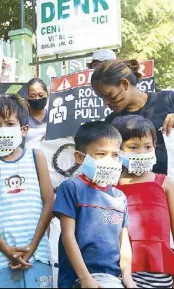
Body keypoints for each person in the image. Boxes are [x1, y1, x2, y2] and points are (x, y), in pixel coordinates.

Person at [0, 94, 54, 288]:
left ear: (24, 130)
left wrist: (32, 248)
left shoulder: (36, 156)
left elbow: (49, 203)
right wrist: (6, 249)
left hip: (36, 255)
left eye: (9, 123)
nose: (2, 129)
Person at [52, 121, 136, 288]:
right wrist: (85, 279)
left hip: (113, 279)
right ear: (79, 157)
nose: (110, 160)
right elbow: (68, 236)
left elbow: (123, 240)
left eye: (114, 155)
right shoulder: (72, 187)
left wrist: (127, 276)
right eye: (101, 154)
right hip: (77, 280)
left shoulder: (120, 197)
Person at [112, 115, 174, 288]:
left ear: (155, 147)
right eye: (133, 147)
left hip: (159, 270)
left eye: (147, 146)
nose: (141, 153)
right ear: (118, 149)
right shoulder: (111, 185)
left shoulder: (165, 183)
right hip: (118, 270)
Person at [91, 60, 174, 175]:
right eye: (102, 98)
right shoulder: (111, 122)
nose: (106, 102)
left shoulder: (170, 100)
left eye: (108, 95)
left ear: (125, 84)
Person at [26, 78, 49, 144]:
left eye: (41, 95)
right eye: (32, 96)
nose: (37, 98)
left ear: (47, 94)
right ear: (27, 96)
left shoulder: (54, 117)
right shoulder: (22, 118)